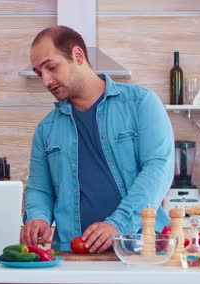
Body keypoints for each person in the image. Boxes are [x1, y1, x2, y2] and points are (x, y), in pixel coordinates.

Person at [20, 26, 174, 253]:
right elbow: (40, 188)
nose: (45, 80)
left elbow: (158, 169)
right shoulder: (46, 129)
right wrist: (38, 217)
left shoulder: (140, 103)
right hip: (73, 255)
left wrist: (117, 223)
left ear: (78, 56)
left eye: (51, 67)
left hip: (142, 250)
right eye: (38, 73)